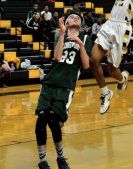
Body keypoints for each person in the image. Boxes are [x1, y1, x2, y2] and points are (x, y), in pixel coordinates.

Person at [34, 12, 92, 169]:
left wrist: (80, 44)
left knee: (53, 119)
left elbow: (86, 65)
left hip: (66, 86)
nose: (75, 18)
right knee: (41, 120)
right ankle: (43, 161)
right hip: (49, 83)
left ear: (80, 25)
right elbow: (57, 57)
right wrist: (61, 34)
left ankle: (60, 158)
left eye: (78, 18)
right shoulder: (60, 36)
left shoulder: (86, 39)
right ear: (66, 23)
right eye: (72, 17)